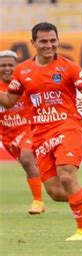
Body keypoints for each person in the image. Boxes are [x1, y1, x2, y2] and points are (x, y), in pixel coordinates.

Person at [0, 22, 82, 241]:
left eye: (53, 40)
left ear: (58, 40)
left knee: (66, 175)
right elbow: (8, 101)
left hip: (67, 127)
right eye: (43, 41)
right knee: (56, 192)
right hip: (41, 135)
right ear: (33, 43)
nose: (49, 45)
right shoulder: (22, 71)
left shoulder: (69, 67)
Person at [0, 50, 45, 215]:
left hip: (30, 129)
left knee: (27, 159)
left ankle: (38, 202)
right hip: (8, 137)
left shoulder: (24, 83)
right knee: (30, 166)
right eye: (2, 65)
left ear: (16, 66)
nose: (7, 68)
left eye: (10, 65)